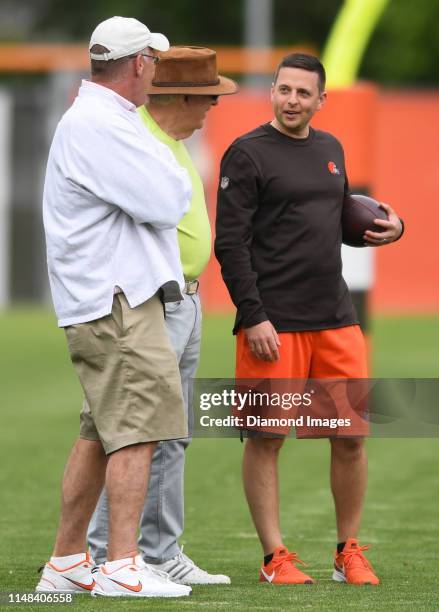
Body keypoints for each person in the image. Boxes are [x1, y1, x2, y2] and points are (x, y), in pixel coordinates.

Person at [215, 53, 404, 586]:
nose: (292, 100)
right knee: (266, 437)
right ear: (272, 92)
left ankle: (348, 551)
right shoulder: (246, 154)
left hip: (336, 318)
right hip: (272, 323)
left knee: (349, 438)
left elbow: (336, 217)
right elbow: (231, 244)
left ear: (321, 100)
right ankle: (275, 557)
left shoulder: (330, 148)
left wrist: (393, 226)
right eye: (284, 90)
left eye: (303, 93)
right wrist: (253, 316)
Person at [37, 17, 194, 599]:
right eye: (154, 59)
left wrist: (166, 177)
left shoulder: (101, 119)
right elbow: (165, 199)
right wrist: (172, 175)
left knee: (101, 432)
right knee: (136, 431)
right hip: (117, 301)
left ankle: (68, 559)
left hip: (108, 299)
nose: (156, 68)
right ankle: (122, 566)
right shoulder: (100, 125)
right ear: (137, 64)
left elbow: (160, 193)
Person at [87, 45, 238, 585]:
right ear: (181, 95)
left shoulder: (172, 142)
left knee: (173, 433)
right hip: (154, 302)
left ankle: (159, 550)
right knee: (133, 431)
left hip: (187, 300)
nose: (212, 110)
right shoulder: (138, 140)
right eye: (209, 99)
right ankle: (105, 553)